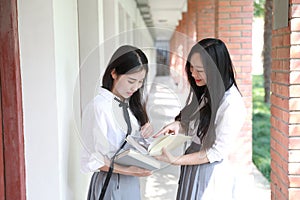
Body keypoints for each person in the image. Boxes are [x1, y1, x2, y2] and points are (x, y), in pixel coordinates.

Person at [152, 38, 247, 199]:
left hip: (208, 173)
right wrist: (179, 125)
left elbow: (215, 152)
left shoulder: (232, 104)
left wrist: (176, 160)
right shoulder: (210, 91)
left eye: (200, 70)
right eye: (191, 68)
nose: (193, 74)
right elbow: (199, 125)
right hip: (194, 166)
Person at [81, 45, 153, 200]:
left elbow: (129, 143)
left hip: (130, 182)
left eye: (140, 82)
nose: (135, 87)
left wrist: (146, 135)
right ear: (114, 73)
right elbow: (93, 160)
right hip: (111, 182)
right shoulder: (99, 108)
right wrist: (130, 171)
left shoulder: (130, 105)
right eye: (131, 81)